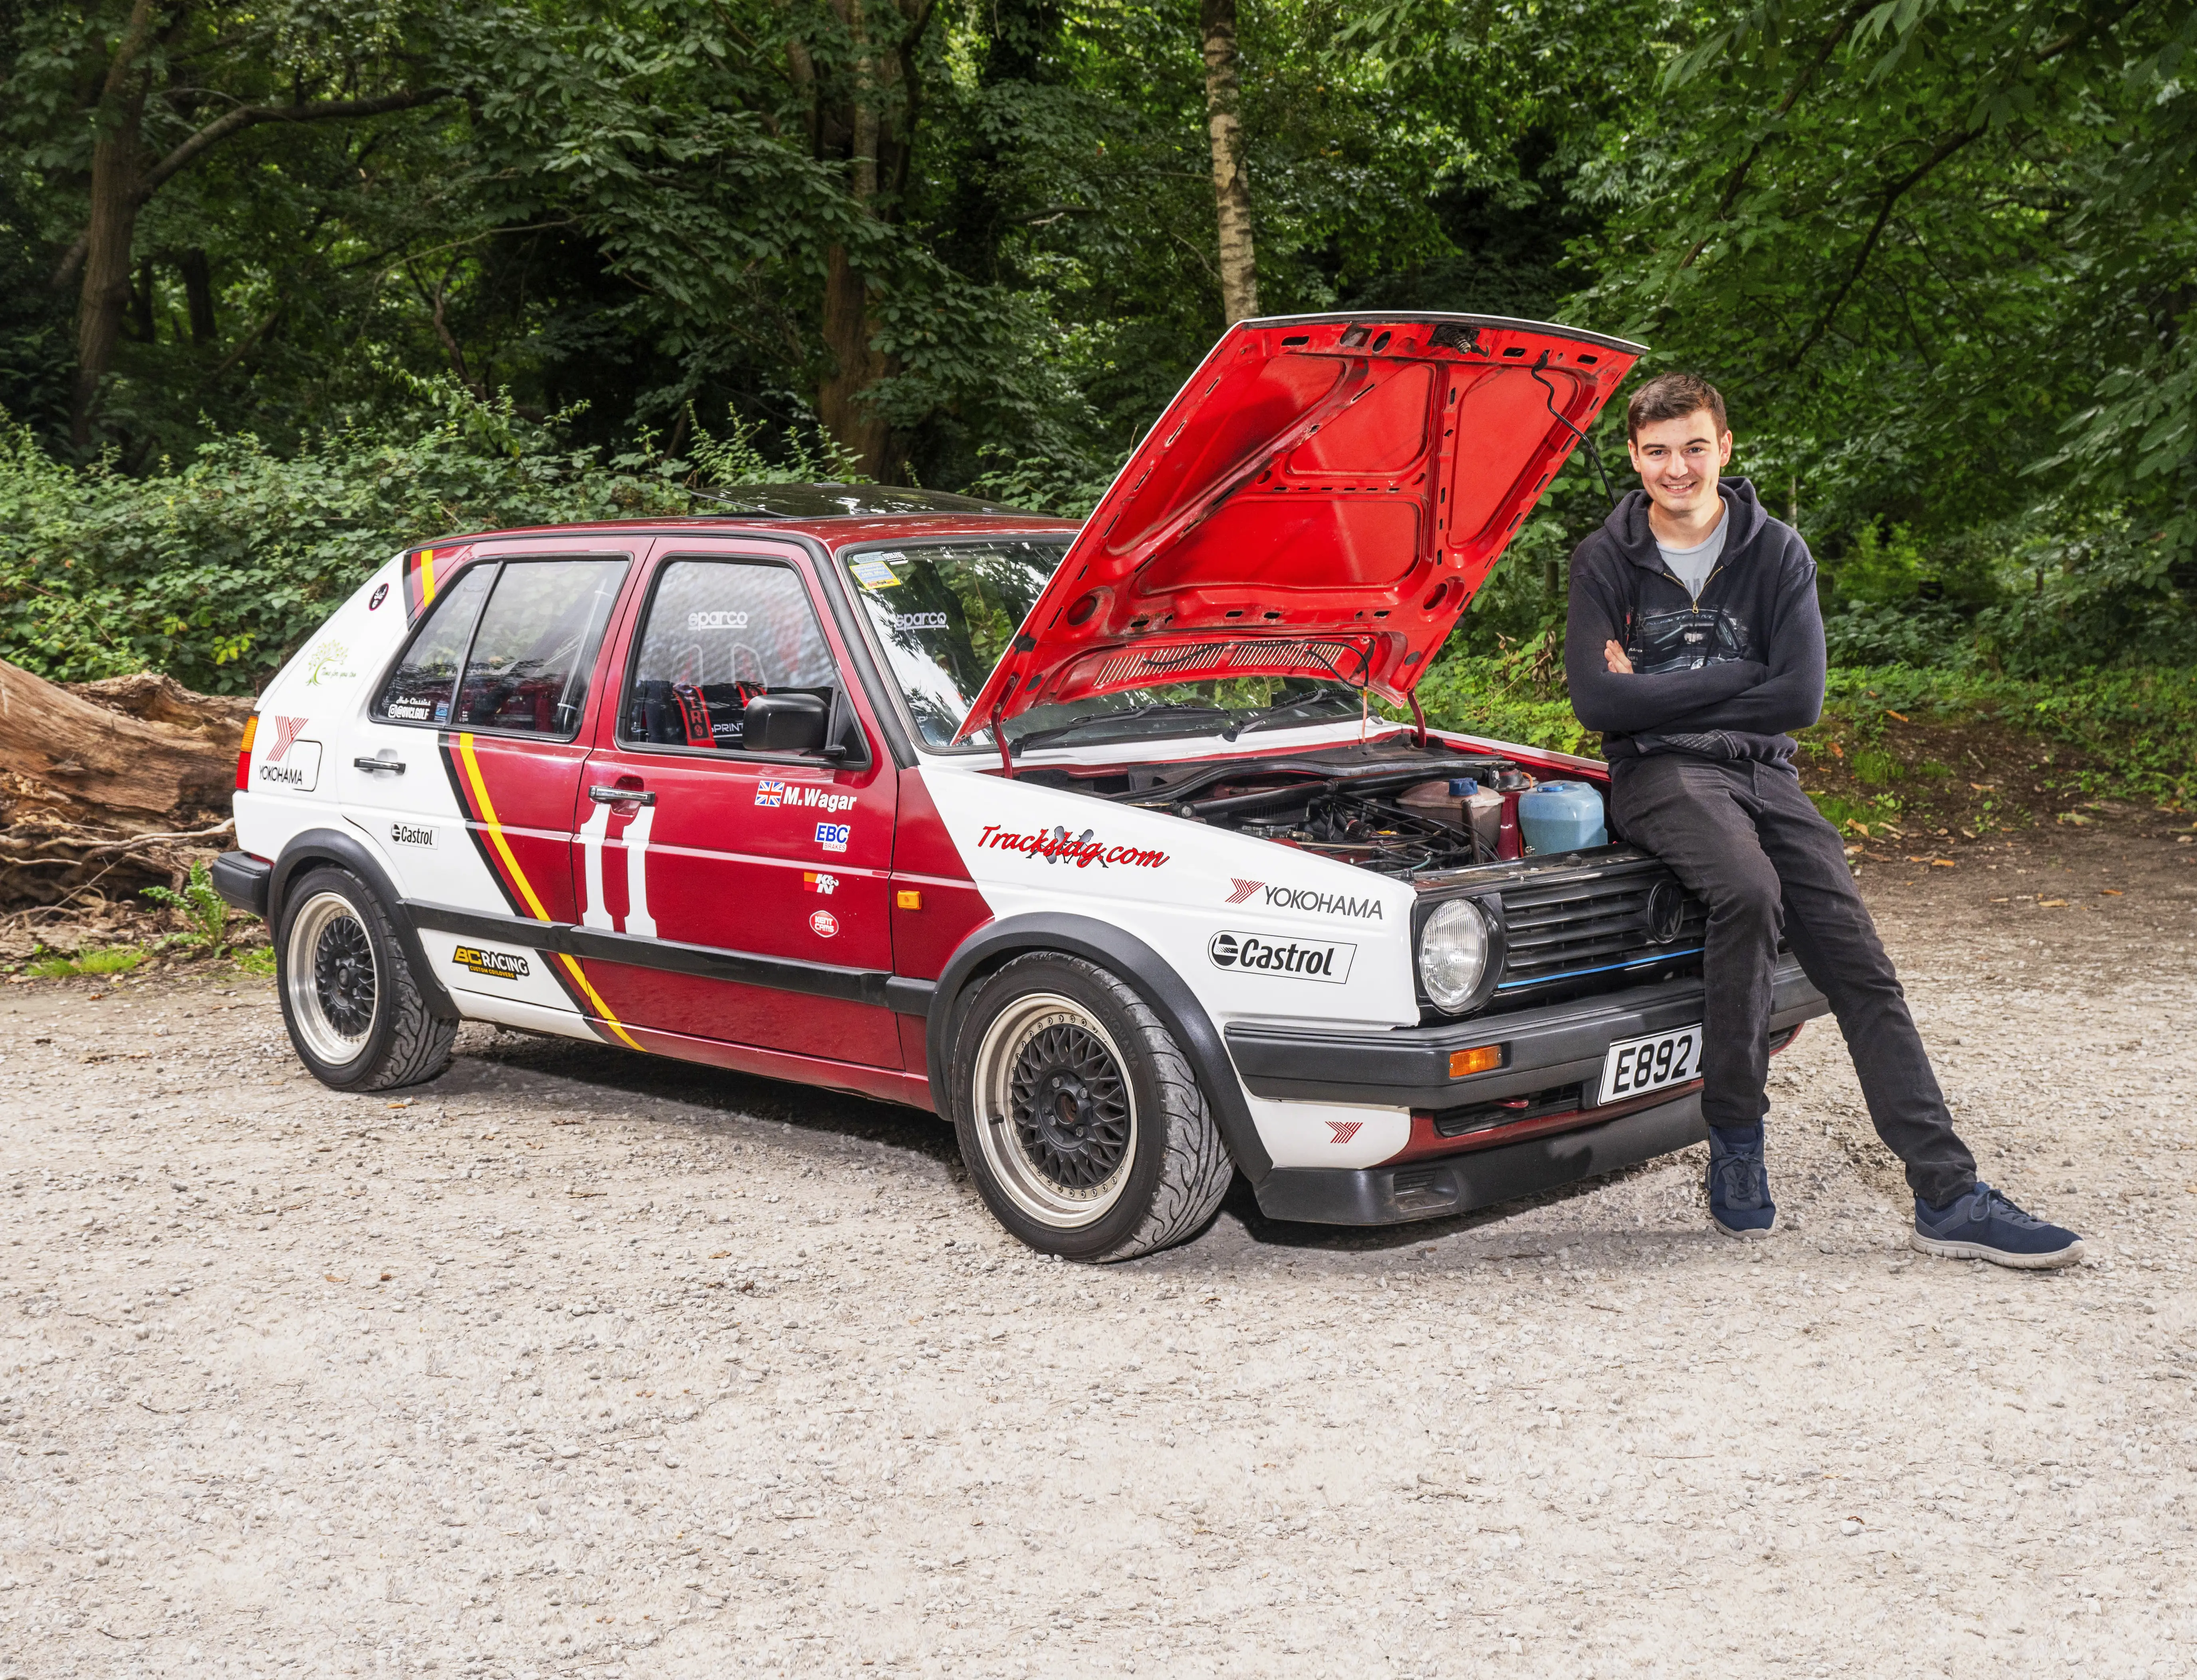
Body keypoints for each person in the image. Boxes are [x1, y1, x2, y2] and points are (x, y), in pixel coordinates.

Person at [1562, 371, 2084, 1269]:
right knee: (1749, 894)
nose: (1677, 467)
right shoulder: (1605, 558)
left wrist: (1655, 691)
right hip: (1658, 775)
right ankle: (1736, 1137)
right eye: (1657, 452)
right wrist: (1729, 680)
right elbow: (1596, 701)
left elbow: (1798, 697)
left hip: (1768, 773)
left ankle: (1948, 1196)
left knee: (1863, 970)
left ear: (1725, 448)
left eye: (1694, 446)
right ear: (1635, 458)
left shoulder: (1777, 551)